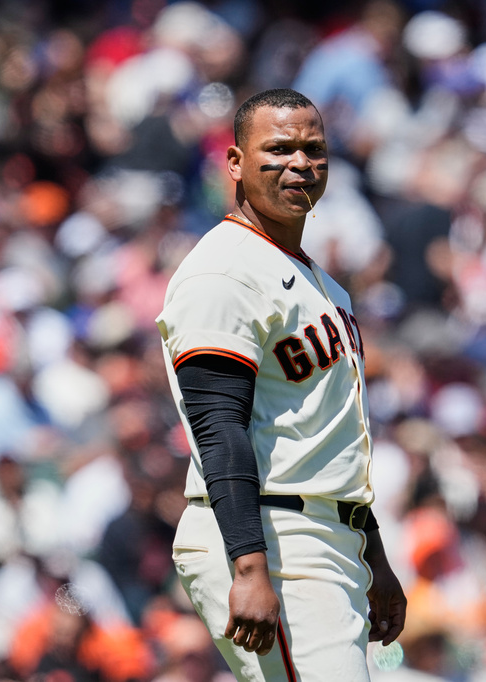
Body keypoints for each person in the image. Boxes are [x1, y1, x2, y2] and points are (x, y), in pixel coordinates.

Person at [155, 88, 406, 681]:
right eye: (279, 149)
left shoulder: (320, 283)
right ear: (235, 163)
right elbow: (219, 428)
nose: (300, 163)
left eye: (313, 149)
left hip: (325, 532)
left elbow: (325, 436)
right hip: (270, 535)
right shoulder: (224, 271)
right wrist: (249, 568)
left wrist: (373, 555)